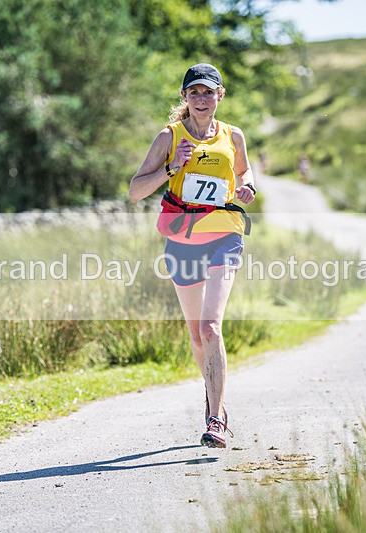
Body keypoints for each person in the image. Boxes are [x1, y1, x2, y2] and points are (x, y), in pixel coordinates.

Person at [129, 63, 257, 448]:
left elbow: (245, 172)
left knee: (210, 327)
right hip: (183, 241)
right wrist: (172, 167)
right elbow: (136, 191)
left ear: (220, 95)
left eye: (209, 92)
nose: (202, 99)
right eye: (194, 93)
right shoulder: (169, 137)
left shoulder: (233, 136)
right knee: (195, 335)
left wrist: (249, 187)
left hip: (225, 235)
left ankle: (216, 417)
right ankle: (212, 389)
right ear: (184, 97)